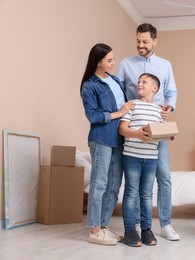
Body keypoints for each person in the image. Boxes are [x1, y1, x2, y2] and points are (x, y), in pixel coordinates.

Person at [117, 23, 179, 241]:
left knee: (164, 176)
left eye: (144, 41)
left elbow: (171, 92)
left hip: (158, 124)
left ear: (154, 41)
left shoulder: (165, 65)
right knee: (133, 183)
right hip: (133, 125)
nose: (140, 45)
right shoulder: (125, 64)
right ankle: (133, 227)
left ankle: (166, 224)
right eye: (137, 41)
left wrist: (169, 107)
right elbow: (119, 93)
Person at [80, 43, 135, 246]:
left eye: (113, 59)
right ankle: (94, 229)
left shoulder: (115, 81)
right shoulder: (89, 85)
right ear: (98, 61)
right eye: (109, 60)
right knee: (99, 183)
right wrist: (119, 113)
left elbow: (127, 106)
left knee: (114, 186)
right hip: (101, 138)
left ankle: (103, 226)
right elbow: (93, 116)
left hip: (119, 138)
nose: (113, 63)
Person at [119, 73, 162, 247]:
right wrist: (137, 134)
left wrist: (166, 135)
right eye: (138, 81)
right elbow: (122, 129)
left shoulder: (159, 110)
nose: (139, 84)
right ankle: (130, 231)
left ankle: (146, 230)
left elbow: (159, 132)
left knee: (146, 195)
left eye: (144, 82)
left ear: (154, 88)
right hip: (132, 156)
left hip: (151, 158)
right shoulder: (132, 105)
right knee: (131, 194)